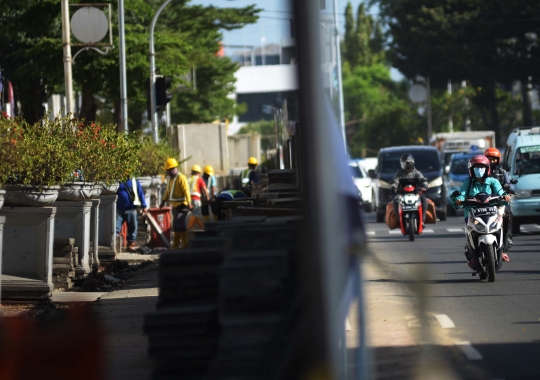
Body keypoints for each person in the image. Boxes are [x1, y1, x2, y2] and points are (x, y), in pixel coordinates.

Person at [452, 155, 511, 265]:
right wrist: (459, 200)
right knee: (470, 231)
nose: (479, 170)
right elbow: (462, 195)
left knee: (500, 226)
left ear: (487, 169)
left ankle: (501, 250)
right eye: (476, 167)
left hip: (492, 210)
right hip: (472, 211)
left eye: (482, 167)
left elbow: (500, 192)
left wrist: (505, 196)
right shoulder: (468, 182)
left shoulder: (493, 181)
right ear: (471, 170)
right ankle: (472, 254)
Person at [484, 148, 514, 253]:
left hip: (499, 202)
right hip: (484, 203)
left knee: (508, 214)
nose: (492, 162)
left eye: (494, 159)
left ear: (498, 160)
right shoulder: (481, 173)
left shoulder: (502, 172)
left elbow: (509, 185)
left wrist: (509, 191)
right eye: (489, 159)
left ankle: (507, 238)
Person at [160, 158, 192, 249]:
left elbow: (186, 191)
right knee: (180, 225)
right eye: (167, 170)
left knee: (177, 225)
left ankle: (176, 245)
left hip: (182, 206)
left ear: (174, 169)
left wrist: (189, 203)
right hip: (175, 206)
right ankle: (185, 244)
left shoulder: (181, 177)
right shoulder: (170, 178)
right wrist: (163, 201)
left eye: (169, 170)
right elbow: (167, 191)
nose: (168, 172)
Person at [391, 153, 429, 226]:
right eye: (406, 163)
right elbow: (395, 182)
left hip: (416, 193)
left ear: (413, 163)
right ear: (402, 164)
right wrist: (394, 188)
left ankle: (422, 220)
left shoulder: (417, 173)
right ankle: (399, 220)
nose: (408, 165)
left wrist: (424, 186)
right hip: (402, 194)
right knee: (395, 201)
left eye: (409, 163)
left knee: (424, 200)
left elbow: (423, 180)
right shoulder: (399, 174)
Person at [116, 178, 148, 252]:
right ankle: (115, 245)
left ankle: (131, 244)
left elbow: (140, 193)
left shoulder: (134, 182)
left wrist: (144, 206)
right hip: (119, 209)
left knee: (133, 227)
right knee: (115, 228)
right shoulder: (117, 181)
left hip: (131, 209)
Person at [187, 165, 208, 230]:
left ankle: (202, 226)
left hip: (190, 199)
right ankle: (190, 226)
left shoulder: (189, 179)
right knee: (195, 214)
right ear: (198, 173)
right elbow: (204, 189)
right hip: (196, 199)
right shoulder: (199, 179)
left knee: (196, 213)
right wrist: (207, 197)